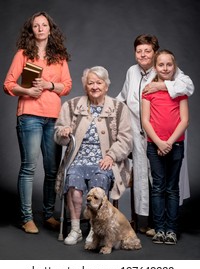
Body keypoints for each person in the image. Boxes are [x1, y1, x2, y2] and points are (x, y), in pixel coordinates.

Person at [116, 34, 194, 236]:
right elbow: (123, 98)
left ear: (155, 52)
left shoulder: (166, 69)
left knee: (162, 180)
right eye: (139, 51)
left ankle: (164, 224)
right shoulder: (132, 72)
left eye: (147, 50)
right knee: (147, 178)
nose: (142, 54)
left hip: (166, 136)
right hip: (141, 133)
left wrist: (162, 85)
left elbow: (189, 87)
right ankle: (151, 223)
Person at [3, 11, 72, 234]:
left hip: (54, 118)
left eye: (44, 25)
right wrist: (27, 90)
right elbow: (8, 84)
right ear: (31, 30)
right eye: (36, 25)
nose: (40, 28)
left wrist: (48, 85)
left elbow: (67, 86)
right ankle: (26, 217)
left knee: (52, 170)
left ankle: (49, 214)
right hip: (29, 115)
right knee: (29, 167)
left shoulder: (59, 56)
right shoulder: (23, 54)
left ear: (50, 29)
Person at [54, 66, 133, 245]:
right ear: (85, 86)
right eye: (91, 83)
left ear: (106, 86)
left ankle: (94, 230)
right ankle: (75, 229)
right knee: (73, 179)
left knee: (99, 181)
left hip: (105, 159)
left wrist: (111, 156)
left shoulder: (119, 108)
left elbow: (126, 139)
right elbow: (58, 133)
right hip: (78, 158)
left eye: (99, 83)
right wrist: (63, 132)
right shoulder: (72, 105)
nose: (95, 86)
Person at [142, 49, 189, 244]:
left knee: (172, 188)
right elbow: (145, 121)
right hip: (154, 146)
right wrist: (159, 142)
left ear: (174, 66)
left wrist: (169, 142)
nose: (165, 68)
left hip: (175, 145)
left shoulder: (179, 90)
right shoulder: (148, 90)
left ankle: (171, 229)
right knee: (158, 187)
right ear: (155, 67)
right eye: (161, 65)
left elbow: (184, 120)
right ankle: (159, 229)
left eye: (169, 64)